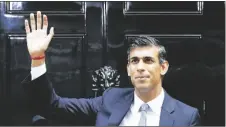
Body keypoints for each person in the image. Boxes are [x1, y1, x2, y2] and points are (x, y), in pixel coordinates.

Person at [21, 11, 201, 126]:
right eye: (134, 61)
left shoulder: (187, 117)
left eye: (148, 60)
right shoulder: (111, 99)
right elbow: (52, 106)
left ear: (163, 67)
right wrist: (38, 58)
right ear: (128, 69)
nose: (140, 67)